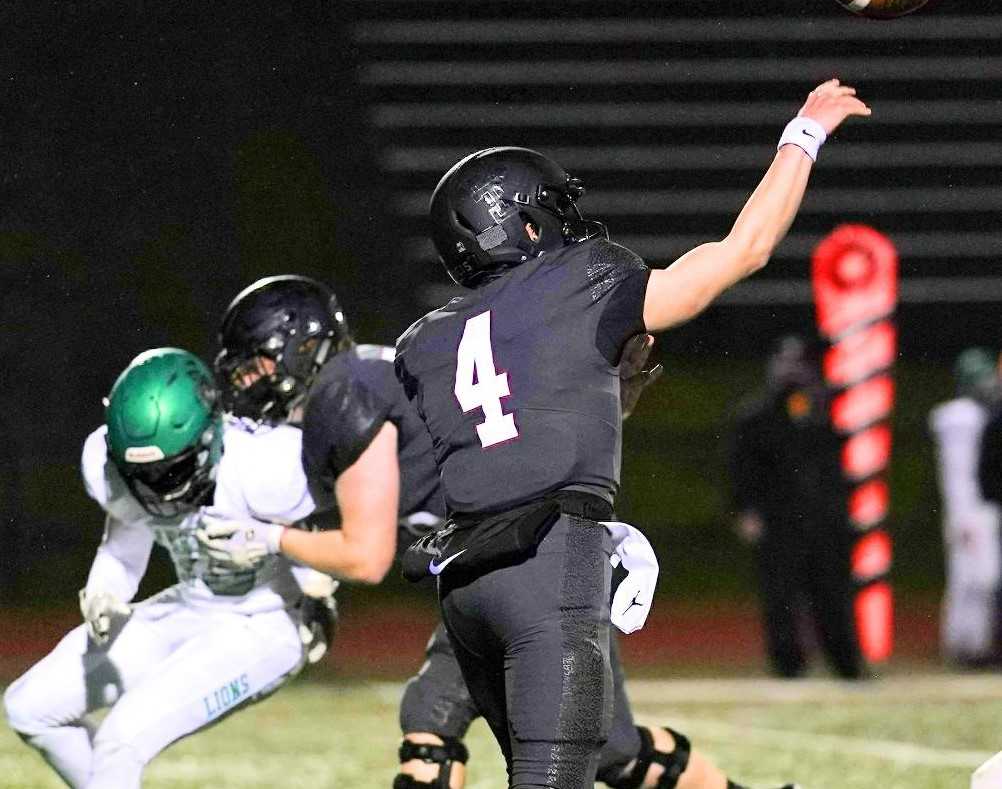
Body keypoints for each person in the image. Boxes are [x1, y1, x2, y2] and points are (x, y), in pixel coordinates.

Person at [392, 80, 869, 788]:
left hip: (464, 583)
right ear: (523, 226)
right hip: (551, 566)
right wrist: (805, 133)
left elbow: (511, 439)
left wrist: (609, 394)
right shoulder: (578, 278)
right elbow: (745, 249)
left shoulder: (424, 342)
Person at [200, 275, 791, 789]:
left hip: (531, 562)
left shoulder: (344, 392)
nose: (249, 379)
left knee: (431, 721)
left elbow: (368, 555)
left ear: (302, 348)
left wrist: (268, 539)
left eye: (257, 363)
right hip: (534, 555)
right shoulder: (383, 374)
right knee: (614, 752)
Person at [2, 348, 334, 789]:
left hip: (266, 622)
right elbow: (124, 548)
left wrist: (312, 581)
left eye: (170, 470)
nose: (157, 487)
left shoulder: (266, 464)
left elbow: (362, 535)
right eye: (144, 475)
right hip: (190, 607)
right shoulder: (114, 467)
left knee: (120, 742)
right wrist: (104, 588)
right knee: (30, 707)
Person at [729, 336, 864, 679]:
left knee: (831, 594)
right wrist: (746, 510)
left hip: (822, 522)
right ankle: (788, 664)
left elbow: (836, 470)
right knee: (782, 596)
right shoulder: (755, 418)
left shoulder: (823, 414)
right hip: (779, 521)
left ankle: (845, 662)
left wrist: (844, 510)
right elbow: (741, 470)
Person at [930, 348, 1002, 665]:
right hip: (970, 509)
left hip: (968, 508)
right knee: (978, 579)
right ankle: (967, 648)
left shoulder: (965, 414)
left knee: (972, 579)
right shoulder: (960, 415)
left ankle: (969, 645)